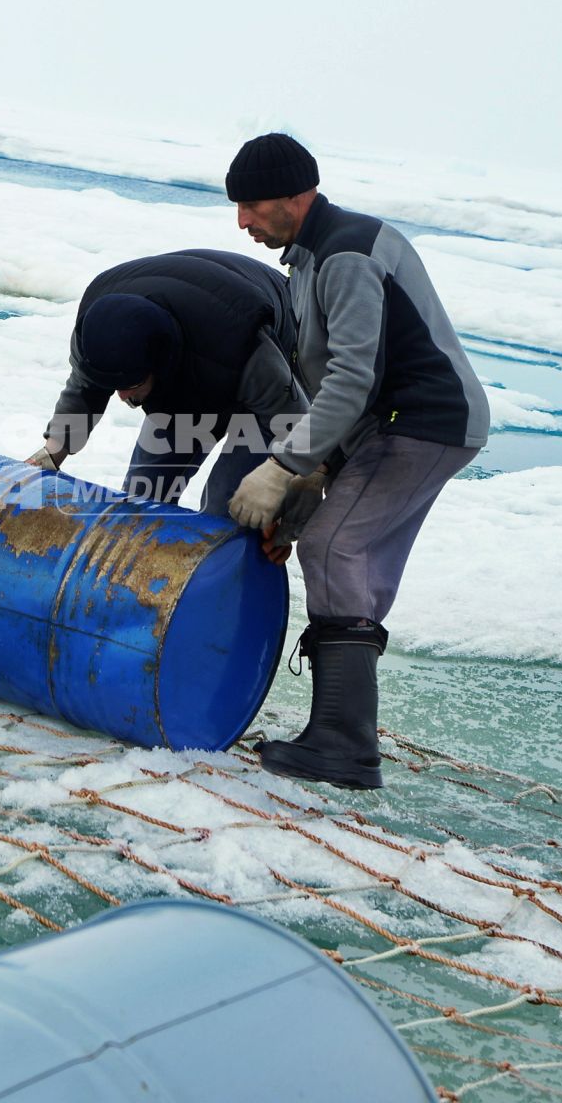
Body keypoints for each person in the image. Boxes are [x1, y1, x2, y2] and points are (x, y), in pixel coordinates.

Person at [221, 133, 490, 789]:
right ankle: (342, 735)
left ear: (295, 195)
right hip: (400, 425)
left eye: (252, 206)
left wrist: (285, 466)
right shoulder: (311, 256)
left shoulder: (344, 253)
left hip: (423, 423)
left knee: (335, 549)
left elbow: (349, 376)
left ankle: (343, 746)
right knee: (347, 555)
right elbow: (345, 382)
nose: (242, 222)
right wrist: (322, 471)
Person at [30, 250, 308, 520]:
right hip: (192, 347)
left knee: (232, 507)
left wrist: (286, 484)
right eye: (113, 385)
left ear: (160, 365)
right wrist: (51, 454)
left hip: (265, 346)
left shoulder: (247, 350)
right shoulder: (96, 330)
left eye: (131, 383)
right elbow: (83, 391)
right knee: (142, 500)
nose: (121, 396)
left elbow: (293, 420)